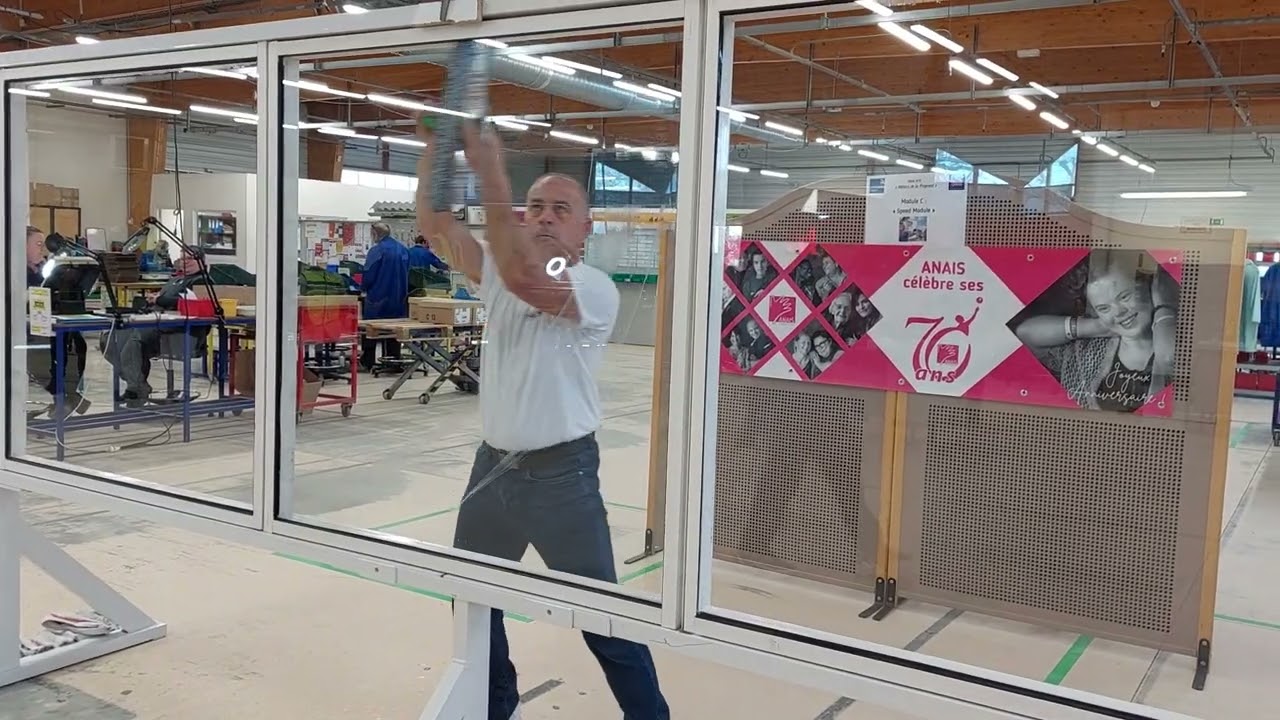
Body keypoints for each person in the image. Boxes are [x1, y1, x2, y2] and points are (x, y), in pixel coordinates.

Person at [416, 118, 670, 720]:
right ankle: (496, 704)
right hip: (493, 470)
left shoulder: (592, 285)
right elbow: (434, 224)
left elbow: (532, 278)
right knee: (472, 602)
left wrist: (491, 172)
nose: (546, 216)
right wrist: (435, 146)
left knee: (602, 619)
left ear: (585, 229)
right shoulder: (501, 278)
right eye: (536, 207)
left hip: (563, 479)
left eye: (562, 208)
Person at [1014, 257, 1176, 412]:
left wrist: (1163, 309)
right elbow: (1024, 332)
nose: (1119, 311)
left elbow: (1168, 358)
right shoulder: (1085, 354)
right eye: (1104, 308)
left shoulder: (1183, 339)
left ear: (1150, 290)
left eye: (1125, 297)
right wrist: (1099, 325)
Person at [99, 251, 208, 407]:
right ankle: (138, 383)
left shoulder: (202, 281)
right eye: (182, 258)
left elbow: (191, 303)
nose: (185, 261)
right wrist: (153, 299)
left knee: (135, 337)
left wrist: (160, 299)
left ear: (202, 261)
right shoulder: (176, 279)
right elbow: (164, 298)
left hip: (178, 331)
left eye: (190, 258)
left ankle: (135, 388)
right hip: (154, 321)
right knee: (111, 337)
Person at [24, 225, 90, 417]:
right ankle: (67, 397)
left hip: (47, 324)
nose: (42, 250)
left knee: (76, 342)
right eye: (37, 244)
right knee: (45, 352)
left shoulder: (41, 271)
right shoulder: (13, 272)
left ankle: (67, 396)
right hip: (26, 331)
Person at [359, 222, 408, 372]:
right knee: (394, 332)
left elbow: (369, 274)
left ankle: (368, 362)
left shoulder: (377, 251)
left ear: (375, 233)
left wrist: (363, 289)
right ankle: (393, 361)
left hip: (378, 297)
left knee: (371, 330)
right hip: (399, 298)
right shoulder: (403, 250)